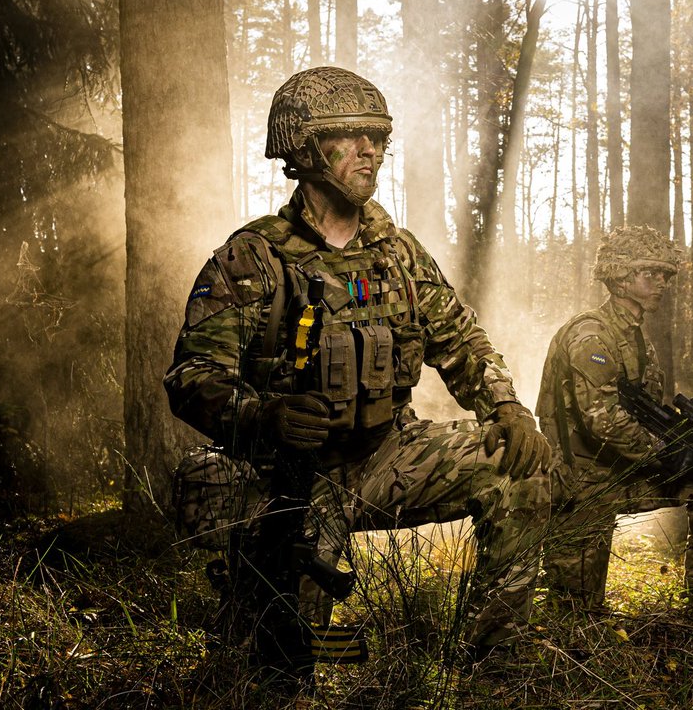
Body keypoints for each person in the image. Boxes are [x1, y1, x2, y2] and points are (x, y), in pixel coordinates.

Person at [165, 66, 550, 665]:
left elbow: (460, 339)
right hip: (294, 475)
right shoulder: (255, 257)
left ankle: (496, 665)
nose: (371, 149)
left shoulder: (397, 253)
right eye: (350, 134)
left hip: (388, 452)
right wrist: (263, 416)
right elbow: (193, 377)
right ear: (305, 147)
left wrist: (505, 404)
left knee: (516, 466)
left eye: (378, 136)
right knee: (279, 653)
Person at [536, 225, 693, 610]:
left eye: (665, 275)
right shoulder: (591, 335)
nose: (661, 283)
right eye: (650, 274)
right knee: (575, 612)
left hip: (619, 472)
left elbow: (645, 411)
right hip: (580, 483)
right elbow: (602, 419)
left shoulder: (638, 338)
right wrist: (667, 453)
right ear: (621, 279)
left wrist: (683, 442)